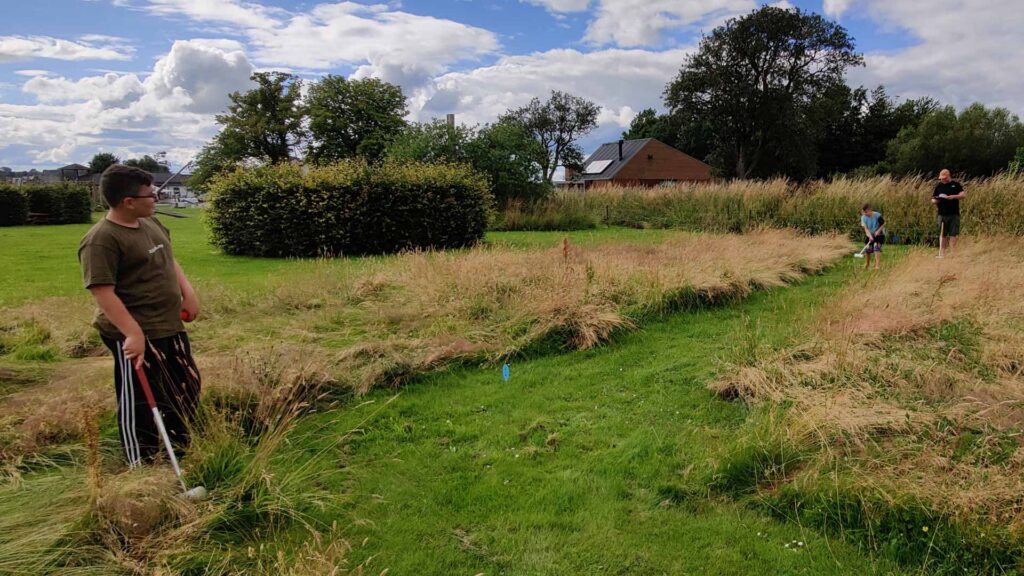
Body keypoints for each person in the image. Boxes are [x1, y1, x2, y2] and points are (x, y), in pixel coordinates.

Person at [78, 165, 201, 467]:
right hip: (134, 332)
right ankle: (142, 464)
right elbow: (102, 292)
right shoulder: (101, 240)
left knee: (186, 385)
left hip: (169, 323)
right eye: (150, 194)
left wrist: (188, 293)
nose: (156, 198)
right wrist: (133, 333)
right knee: (143, 401)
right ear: (127, 201)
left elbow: (170, 260)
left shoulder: (151, 223)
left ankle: (180, 449)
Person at [932, 168, 965, 258]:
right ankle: (942, 253)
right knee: (942, 234)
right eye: (941, 178)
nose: (943, 180)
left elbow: (963, 195)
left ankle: (953, 253)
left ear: (948, 176)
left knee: (953, 234)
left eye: (944, 178)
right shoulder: (938, 186)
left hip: (954, 214)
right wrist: (935, 201)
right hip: (942, 214)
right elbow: (933, 198)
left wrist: (953, 197)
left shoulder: (956, 184)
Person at [860, 203, 885, 270]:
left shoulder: (877, 215)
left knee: (876, 247)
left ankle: (877, 266)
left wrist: (878, 231)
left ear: (870, 210)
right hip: (870, 233)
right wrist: (869, 236)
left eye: (866, 212)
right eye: (863, 212)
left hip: (879, 234)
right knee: (867, 249)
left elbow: (883, 224)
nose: (865, 214)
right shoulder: (863, 217)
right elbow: (866, 229)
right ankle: (867, 264)